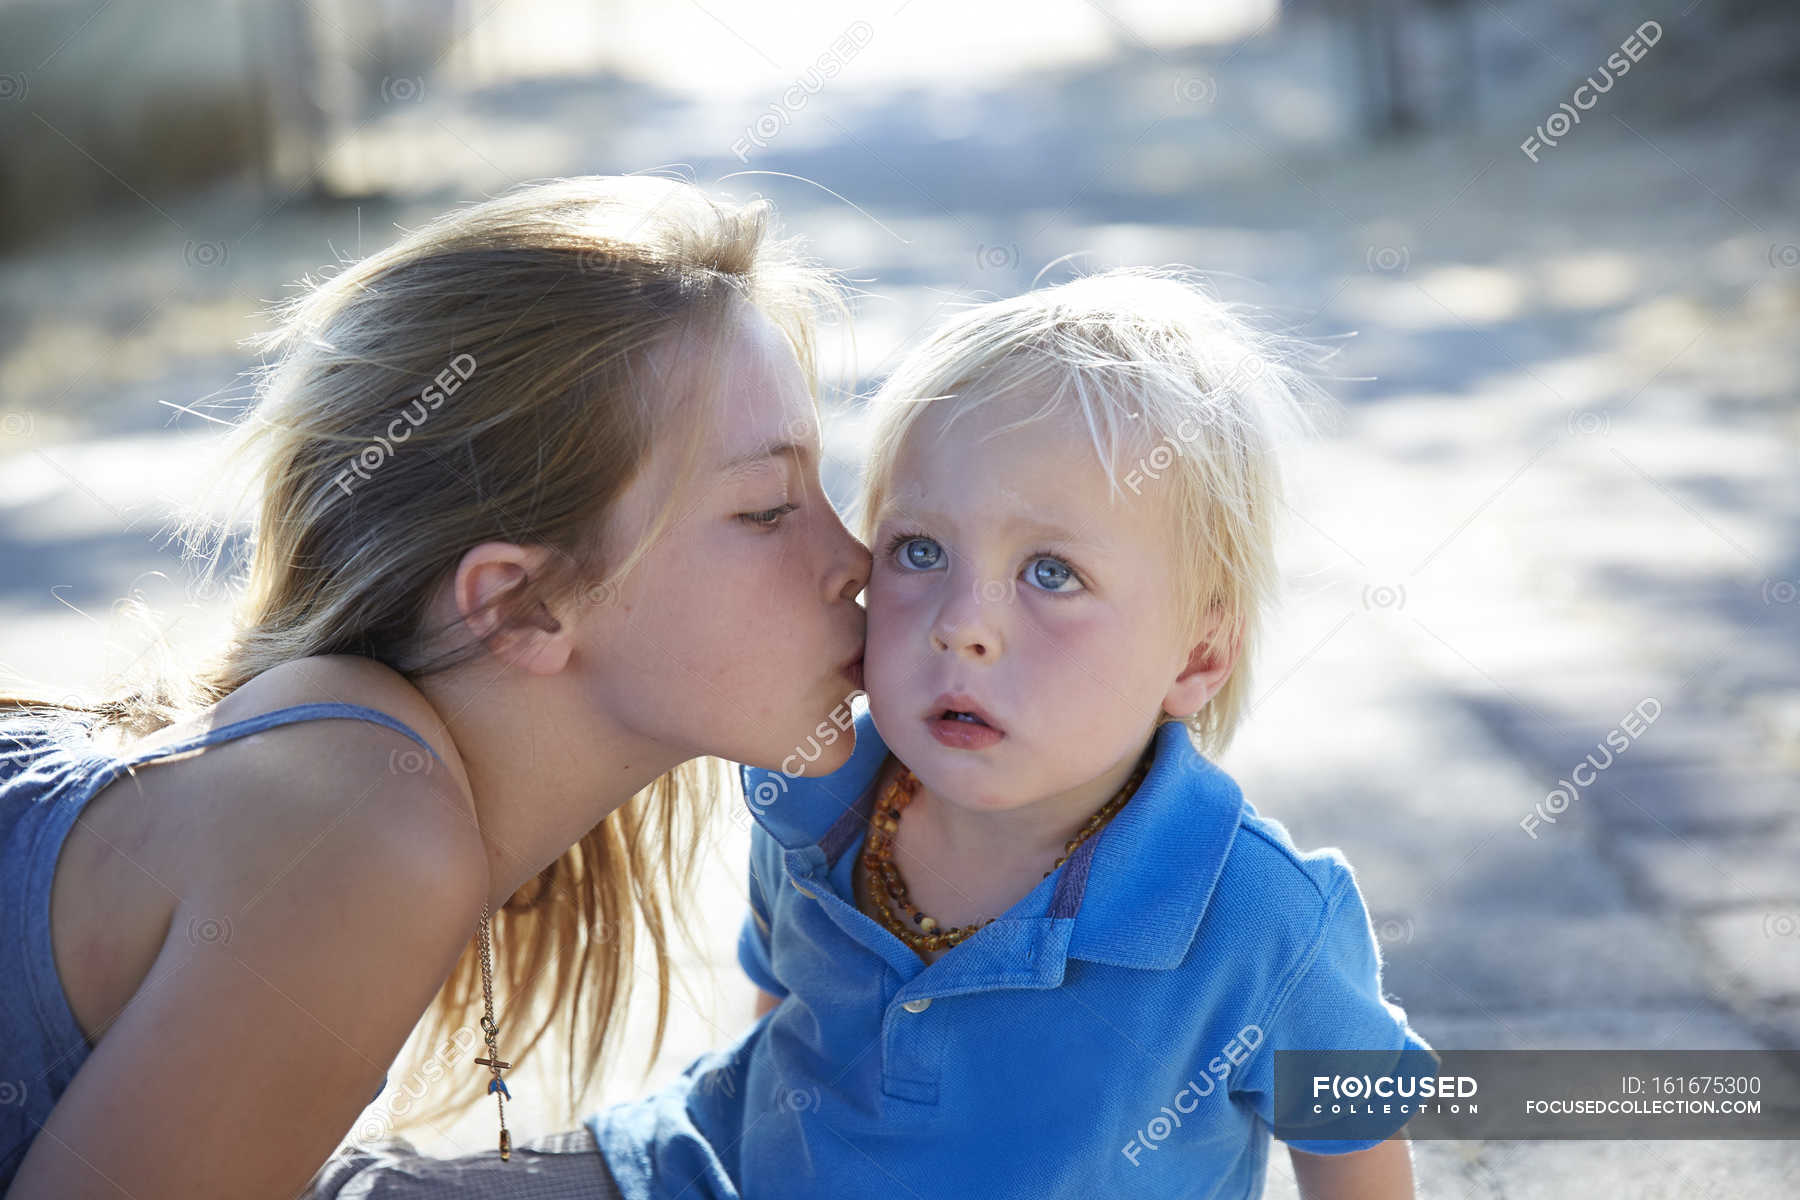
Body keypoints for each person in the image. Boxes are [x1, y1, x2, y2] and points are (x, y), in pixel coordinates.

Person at [307, 268, 1438, 1199]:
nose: (964, 627)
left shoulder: (1256, 916)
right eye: (919, 551)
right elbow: (779, 1028)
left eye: (1052, 573)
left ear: (1195, 656)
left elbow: (1354, 1154)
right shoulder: (816, 792)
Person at [0, 175, 870, 1199]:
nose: (856, 558)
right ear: (517, 605)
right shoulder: (364, 833)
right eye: (769, 507)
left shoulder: (351, 767)